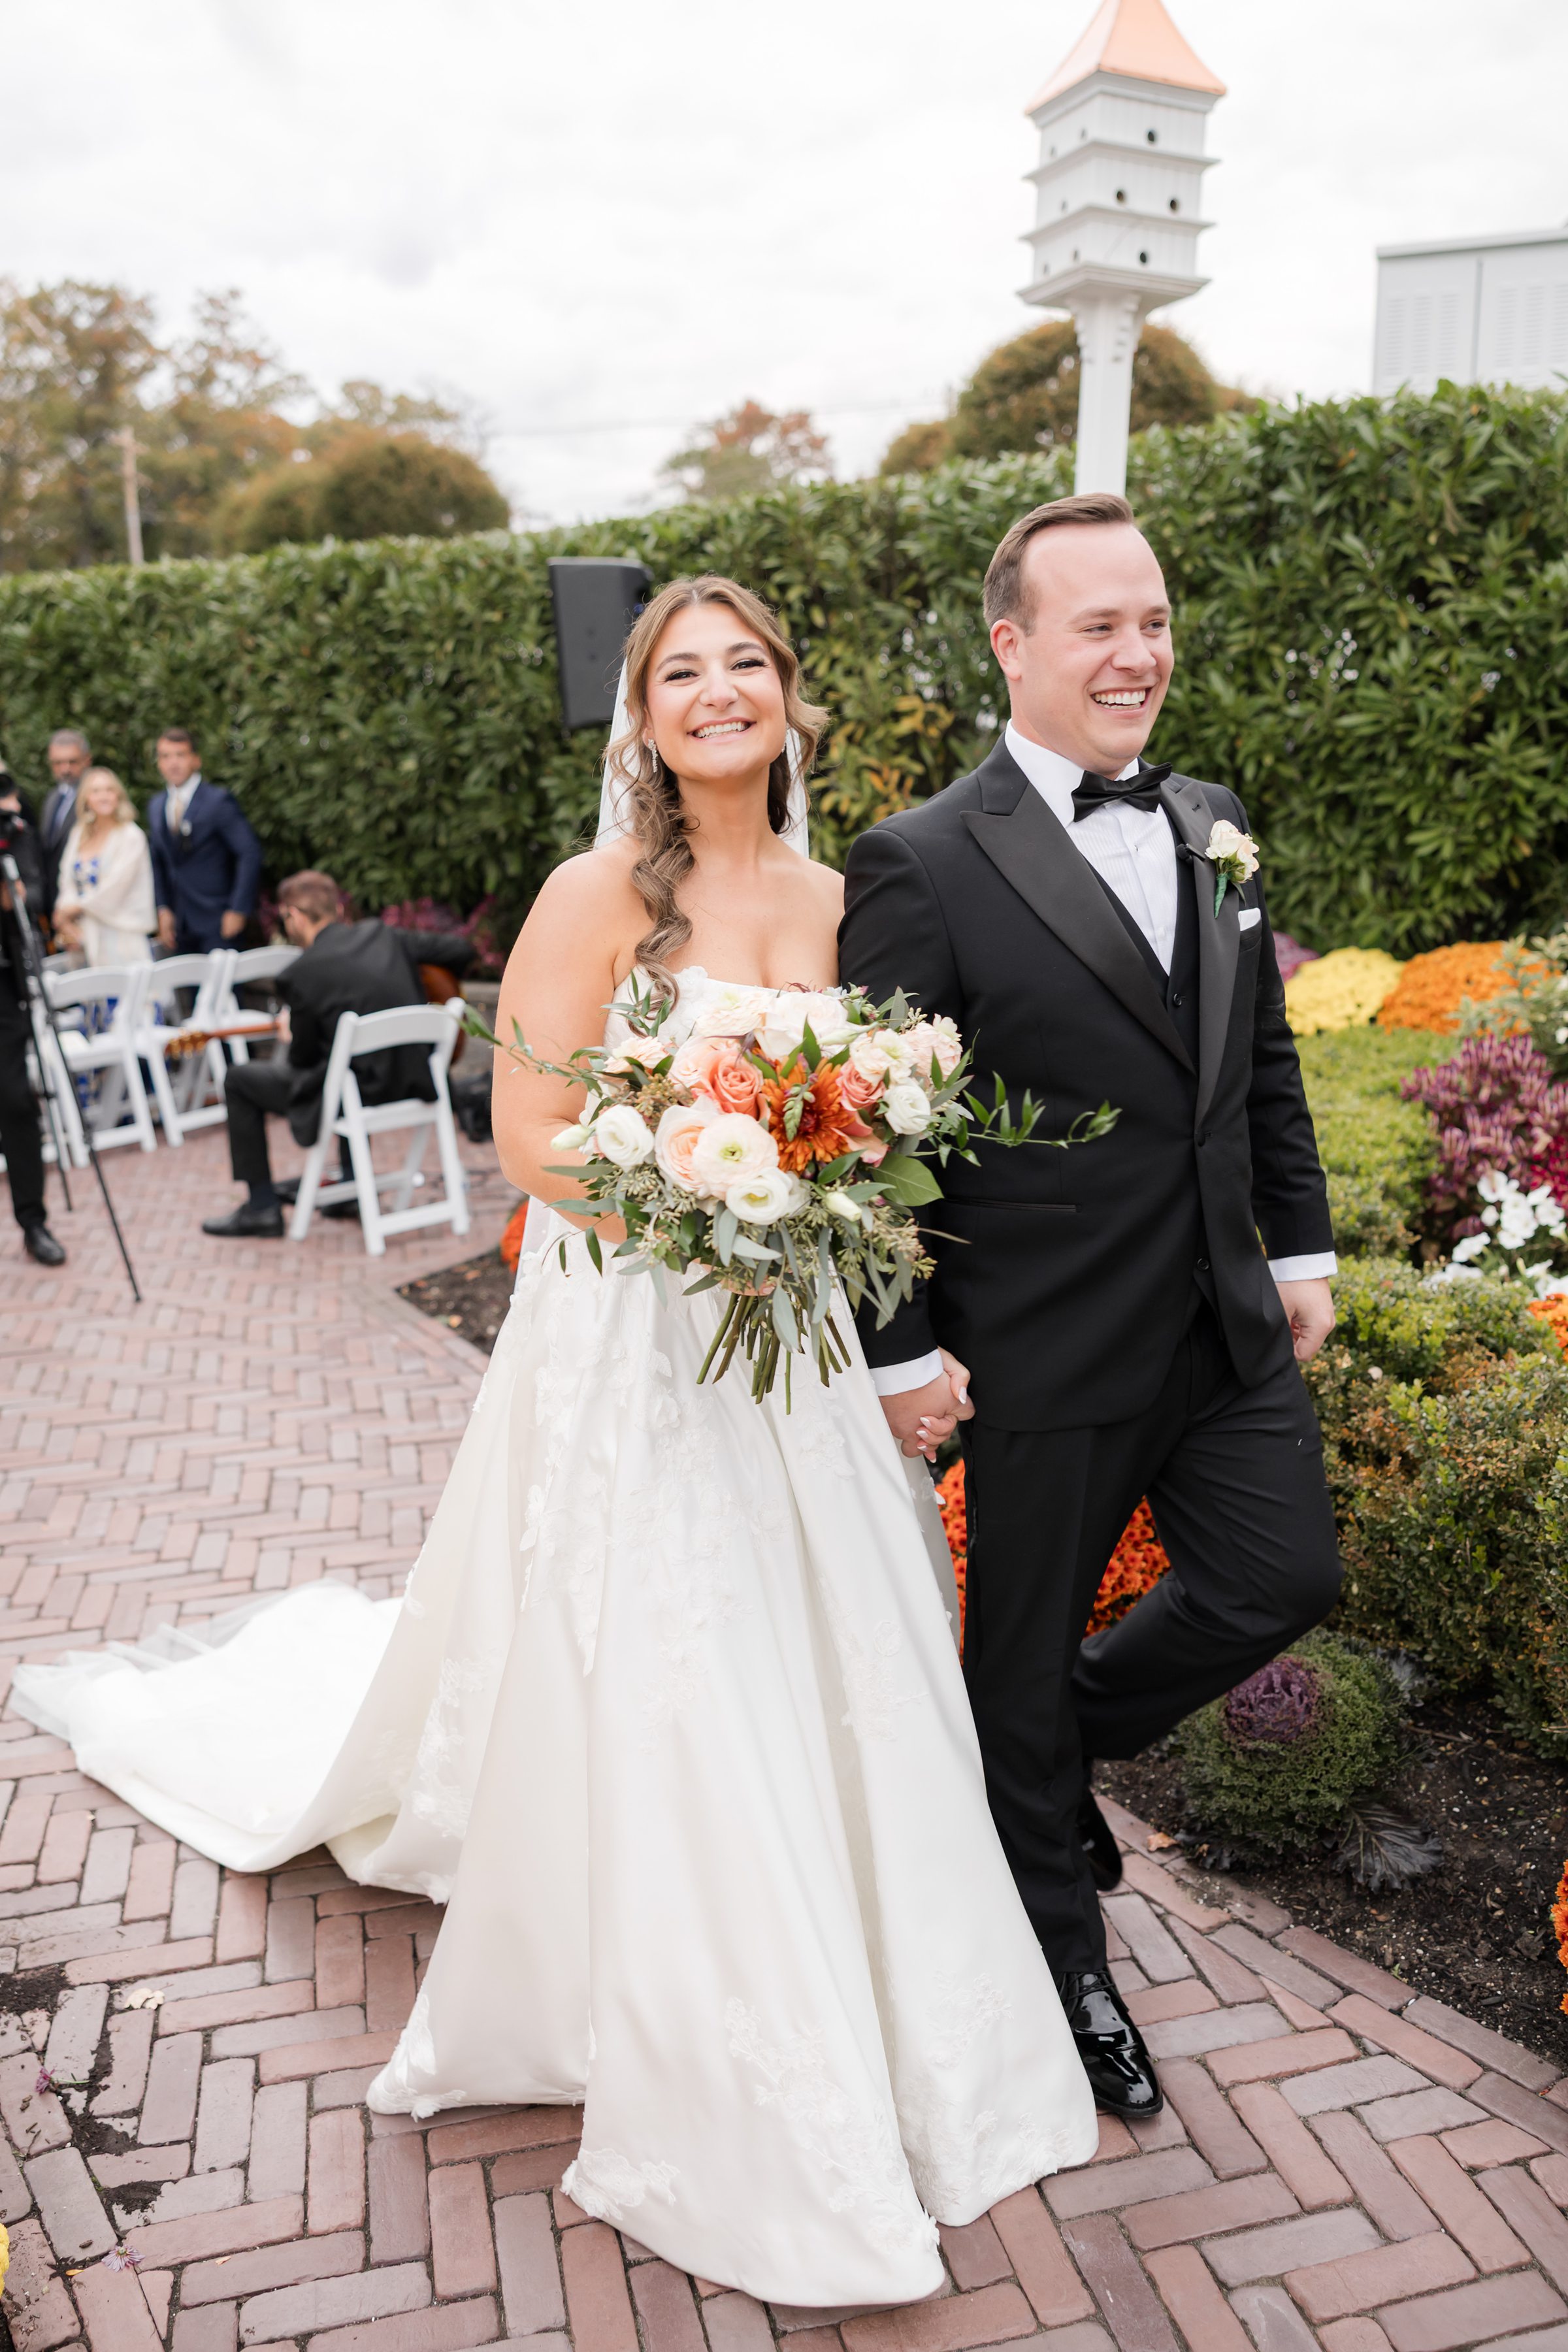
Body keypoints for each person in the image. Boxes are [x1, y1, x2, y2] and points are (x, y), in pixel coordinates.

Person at [12, 575, 1098, 2306]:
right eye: (686, 673)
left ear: (792, 703)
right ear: (647, 721)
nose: (722, 692)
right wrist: (700, 1178)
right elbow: (525, 1131)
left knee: (837, 1648)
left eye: (750, 666)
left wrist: (820, 1191)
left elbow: (887, 1124)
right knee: (679, 1655)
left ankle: (892, 1986)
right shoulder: (598, 895)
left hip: (800, 1344)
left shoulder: (849, 896)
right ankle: (718, 2012)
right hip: (644, 1342)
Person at [838, 492, 1341, 2122]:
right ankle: (1064, 1973)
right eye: (1095, 625)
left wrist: (1300, 1247)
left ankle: (1039, 1756)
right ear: (1011, 643)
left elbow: (1252, 1061)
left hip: (1218, 1321)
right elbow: (873, 1147)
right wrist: (902, 1349)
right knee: (1019, 1651)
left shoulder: (1211, 818)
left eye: (1151, 621)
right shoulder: (915, 861)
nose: (1136, 654)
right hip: (1037, 1354)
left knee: (1280, 1573)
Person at [201, 871, 475, 1239]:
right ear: (337, 908)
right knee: (345, 1063)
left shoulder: (300, 973)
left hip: (355, 1095)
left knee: (239, 1080)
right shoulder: (385, 935)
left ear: (294, 915)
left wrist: (292, 1032)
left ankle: (262, 1208)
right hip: (416, 1082)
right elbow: (462, 951)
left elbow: (301, 1061)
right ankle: (349, 1185)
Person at [0, 769, 67, 1265]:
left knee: (17, 1103)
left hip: (4, 992)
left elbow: (31, 897)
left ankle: (34, 1221)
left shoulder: (15, 831)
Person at [146, 727, 262, 955]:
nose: (173, 763)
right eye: (166, 756)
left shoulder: (217, 801)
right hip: (179, 923)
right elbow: (158, 860)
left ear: (195, 760)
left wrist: (238, 909)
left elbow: (249, 853)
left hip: (218, 920)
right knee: (186, 988)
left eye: (180, 755)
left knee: (223, 989)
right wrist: (163, 909)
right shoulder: (156, 805)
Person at [52, 769, 156, 968]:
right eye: (96, 791)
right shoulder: (79, 833)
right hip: (82, 936)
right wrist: (65, 920)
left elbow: (116, 886)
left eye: (109, 790)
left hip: (120, 936)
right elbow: (66, 879)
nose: (104, 796)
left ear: (118, 795)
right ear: (86, 798)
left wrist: (73, 909)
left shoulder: (131, 836)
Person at [37, 728, 93, 922]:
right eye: (58, 763)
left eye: (72, 762)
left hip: (86, 904)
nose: (65, 769)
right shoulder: (52, 798)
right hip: (57, 903)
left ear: (87, 760)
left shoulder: (96, 797)